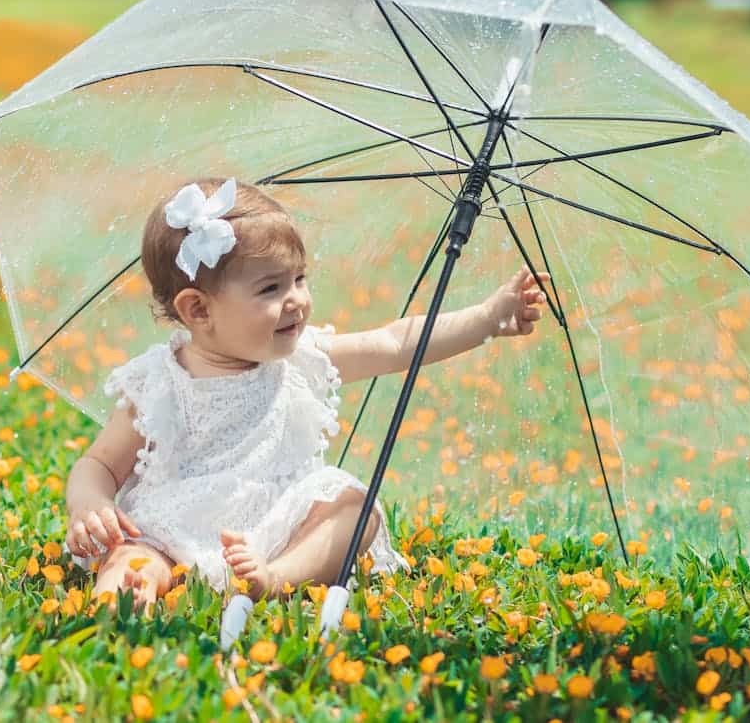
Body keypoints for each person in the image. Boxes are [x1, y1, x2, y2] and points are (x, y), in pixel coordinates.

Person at [63, 177, 549, 610]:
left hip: (278, 526)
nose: (297, 299)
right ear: (198, 311)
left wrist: (488, 318)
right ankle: (129, 591)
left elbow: (395, 342)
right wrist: (89, 504)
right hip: (174, 527)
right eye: (271, 288)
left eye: (299, 278)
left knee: (354, 507)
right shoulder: (160, 383)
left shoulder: (301, 359)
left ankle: (278, 577)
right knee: (134, 554)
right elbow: (100, 464)